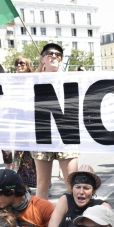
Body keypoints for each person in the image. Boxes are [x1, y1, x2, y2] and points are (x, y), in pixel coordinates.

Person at [31, 43, 78, 199]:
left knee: (72, 183)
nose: (54, 56)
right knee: (42, 183)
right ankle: (40, 220)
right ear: (42, 58)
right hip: (42, 134)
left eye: (58, 54)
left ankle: (75, 219)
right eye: (49, 53)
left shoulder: (70, 78)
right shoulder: (31, 79)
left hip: (65, 134)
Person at [12, 56, 37, 191]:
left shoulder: (34, 77)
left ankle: (41, 184)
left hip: (32, 120)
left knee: (36, 153)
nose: (19, 65)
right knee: (20, 153)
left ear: (28, 65)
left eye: (22, 63)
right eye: (17, 63)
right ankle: (24, 185)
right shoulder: (13, 80)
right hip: (19, 120)